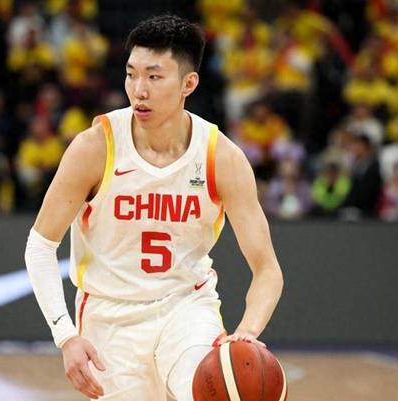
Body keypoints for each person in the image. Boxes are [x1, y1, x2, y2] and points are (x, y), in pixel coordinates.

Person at [24, 15, 283, 401]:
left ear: (188, 84)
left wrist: (246, 332)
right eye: (132, 74)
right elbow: (40, 245)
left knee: (214, 393)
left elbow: (267, 269)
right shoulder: (95, 147)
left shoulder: (221, 157)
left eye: (154, 76)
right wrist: (65, 335)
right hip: (109, 317)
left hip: (187, 307)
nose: (138, 90)